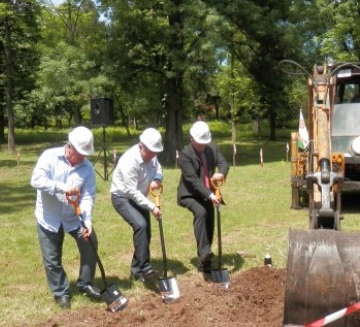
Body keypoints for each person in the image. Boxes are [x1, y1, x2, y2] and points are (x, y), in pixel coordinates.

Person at [30, 126, 101, 309]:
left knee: (90, 242)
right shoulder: (50, 157)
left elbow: (88, 196)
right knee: (52, 259)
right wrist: (62, 187)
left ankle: (85, 284)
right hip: (49, 217)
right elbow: (36, 180)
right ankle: (61, 292)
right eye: (80, 153)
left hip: (74, 218)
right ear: (69, 146)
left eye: (86, 154)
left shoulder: (87, 168)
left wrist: (87, 221)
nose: (83, 157)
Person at [110, 128, 164, 282]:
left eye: (155, 152)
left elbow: (158, 168)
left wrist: (157, 179)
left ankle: (136, 271)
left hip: (140, 196)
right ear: (141, 146)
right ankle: (145, 267)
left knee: (145, 233)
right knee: (140, 225)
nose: (153, 155)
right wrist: (152, 206)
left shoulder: (152, 155)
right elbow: (131, 191)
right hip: (122, 197)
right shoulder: (129, 160)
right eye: (151, 151)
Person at [177, 121, 229, 273]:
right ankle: (205, 252)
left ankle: (205, 262)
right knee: (201, 212)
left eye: (204, 142)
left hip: (209, 193)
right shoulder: (185, 155)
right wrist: (210, 194)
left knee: (209, 223)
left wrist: (221, 173)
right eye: (200, 143)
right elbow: (193, 181)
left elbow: (224, 164)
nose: (202, 146)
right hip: (190, 194)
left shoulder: (212, 147)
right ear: (191, 139)